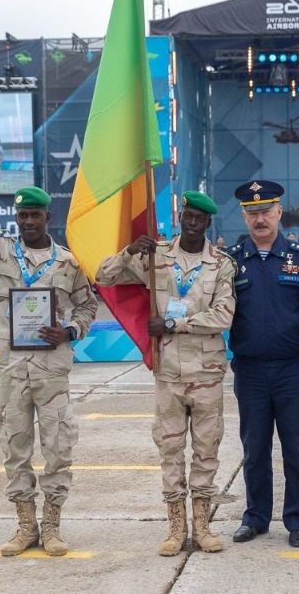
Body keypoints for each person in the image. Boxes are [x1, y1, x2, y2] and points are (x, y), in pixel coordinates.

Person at [0, 173, 98, 557]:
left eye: (35, 215)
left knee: (59, 446)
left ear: (48, 217)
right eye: (22, 215)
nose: (28, 221)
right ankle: (26, 525)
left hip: (51, 369)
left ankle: (52, 526)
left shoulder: (69, 262)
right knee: (14, 446)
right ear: (16, 218)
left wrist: (70, 331)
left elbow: (87, 305)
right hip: (12, 368)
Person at [95, 191, 236, 556]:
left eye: (200, 219)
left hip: (206, 374)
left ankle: (202, 526)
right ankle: (176, 528)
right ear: (180, 217)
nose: (193, 223)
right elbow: (103, 276)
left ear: (208, 223)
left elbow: (223, 316)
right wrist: (129, 252)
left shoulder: (222, 264)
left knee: (206, 451)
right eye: (188, 216)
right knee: (170, 450)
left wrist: (173, 323)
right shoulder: (156, 255)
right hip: (168, 373)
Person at [225, 180, 299, 549]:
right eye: (252, 212)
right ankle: (255, 518)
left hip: (294, 370)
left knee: (296, 449)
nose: (260, 218)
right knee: (254, 450)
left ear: (279, 212)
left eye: (266, 211)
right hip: (250, 370)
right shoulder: (230, 262)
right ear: (244, 215)